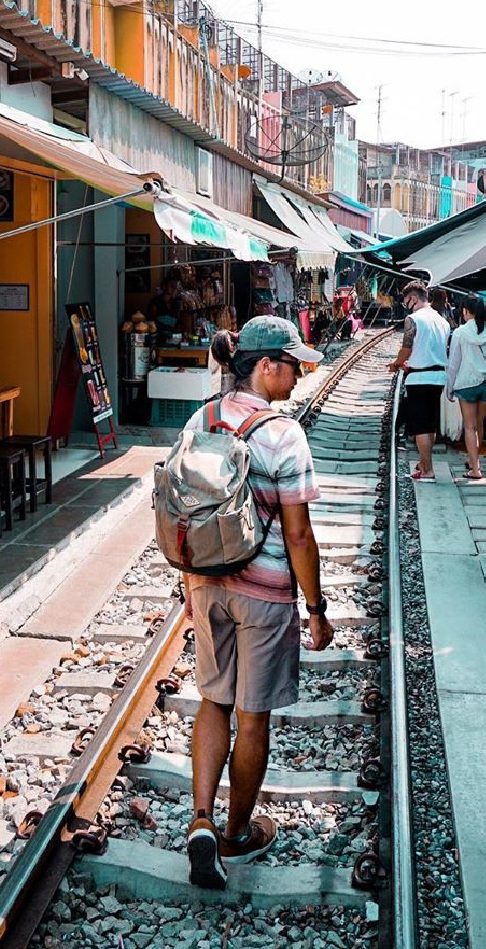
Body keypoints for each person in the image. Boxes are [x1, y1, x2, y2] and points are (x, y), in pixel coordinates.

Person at [182, 316, 335, 889]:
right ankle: (236, 832)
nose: (298, 375)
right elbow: (299, 535)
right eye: (292, 365)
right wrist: (315, 609)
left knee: (212, 701)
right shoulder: (284, 434)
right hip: (264, 593)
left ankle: (200, 820)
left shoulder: (204, 417)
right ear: (265, 366)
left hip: (207, 584)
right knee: (253, 715)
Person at [387, 280, 451, 482]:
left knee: (421, 426)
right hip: (439, 376)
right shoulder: (442, 321)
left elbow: (407, 349)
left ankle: (427, 470)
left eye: (406, 301)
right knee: (430, 424)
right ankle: (424, 464)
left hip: (419, 377)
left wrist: (396, 363)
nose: (405, 304)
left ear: (413, 298)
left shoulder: (413, 319)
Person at [445, 296, 486, 480]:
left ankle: (475, 469)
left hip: (466, 384)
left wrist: (449, 386)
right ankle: (474, 462)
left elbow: (454, 363)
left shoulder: (460, 333)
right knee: (479, 425)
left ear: (465, 311)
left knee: (469, 427)